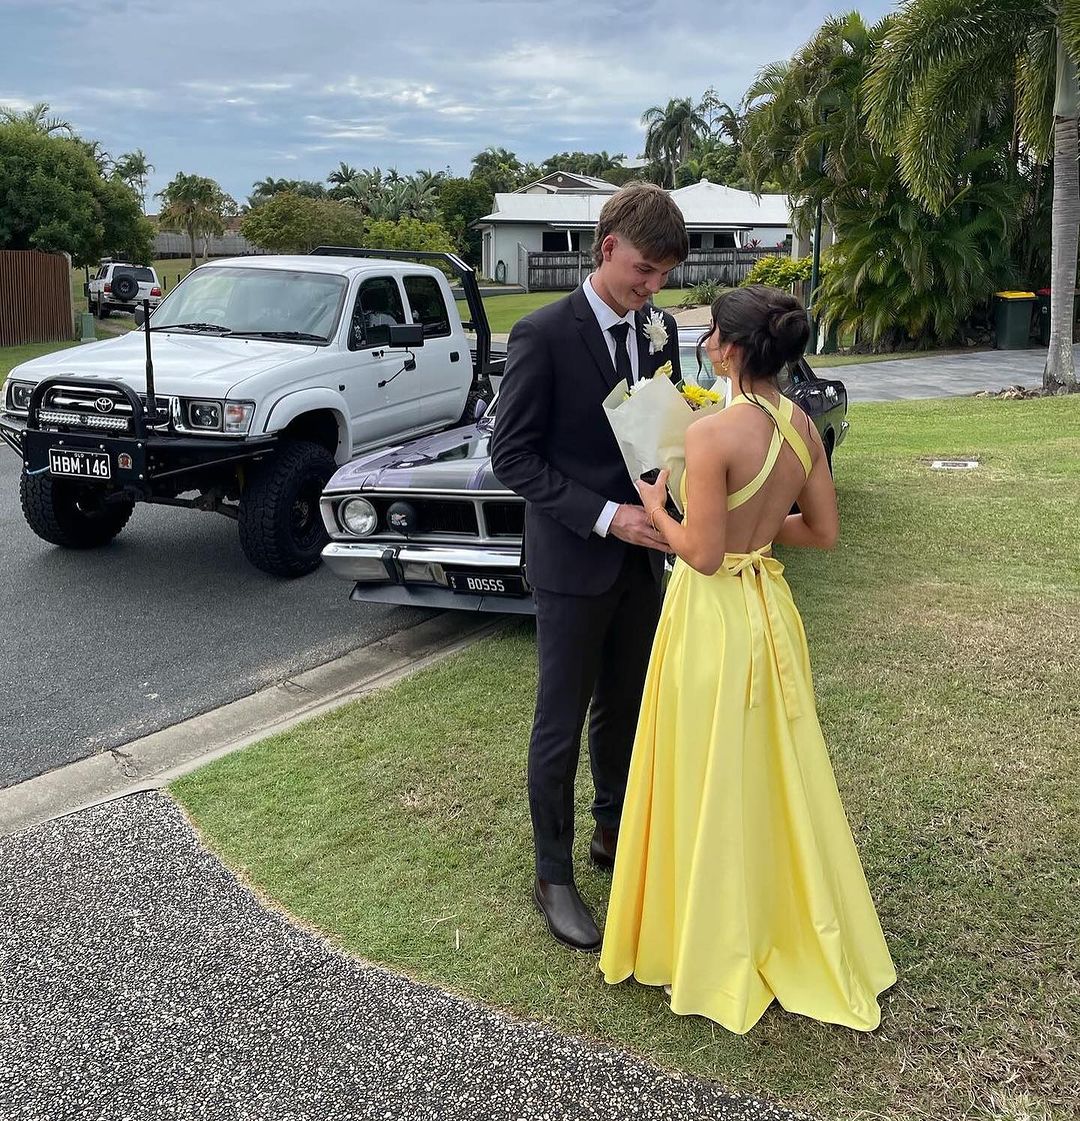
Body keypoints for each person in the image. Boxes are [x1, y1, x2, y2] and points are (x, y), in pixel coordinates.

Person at [600, 285, 896, 1032]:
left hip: (713, 616)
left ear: (728, 349)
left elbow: (698, 555)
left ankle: (712, 933)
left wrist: (657, 502)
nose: (704, 344)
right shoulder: (801, 426)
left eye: (710, 335)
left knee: (706, 767)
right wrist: (754, 532)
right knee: (768, 766)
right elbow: (822, 530)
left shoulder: (710, 435)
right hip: (767, 607)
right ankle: (776, 915)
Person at [490, 184, 688, 951]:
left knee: (625, 707)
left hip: (642, 565)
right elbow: (512, 456)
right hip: (574, 560)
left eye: (663, 275)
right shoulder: (542, 333)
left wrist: (672, 507)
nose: (652, 288)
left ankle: (613, 835)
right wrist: (610, 516)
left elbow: (657, 435)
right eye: (644, 270)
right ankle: (554, 875)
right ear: (607, 248)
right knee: (560, 721)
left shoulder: (658, 332)